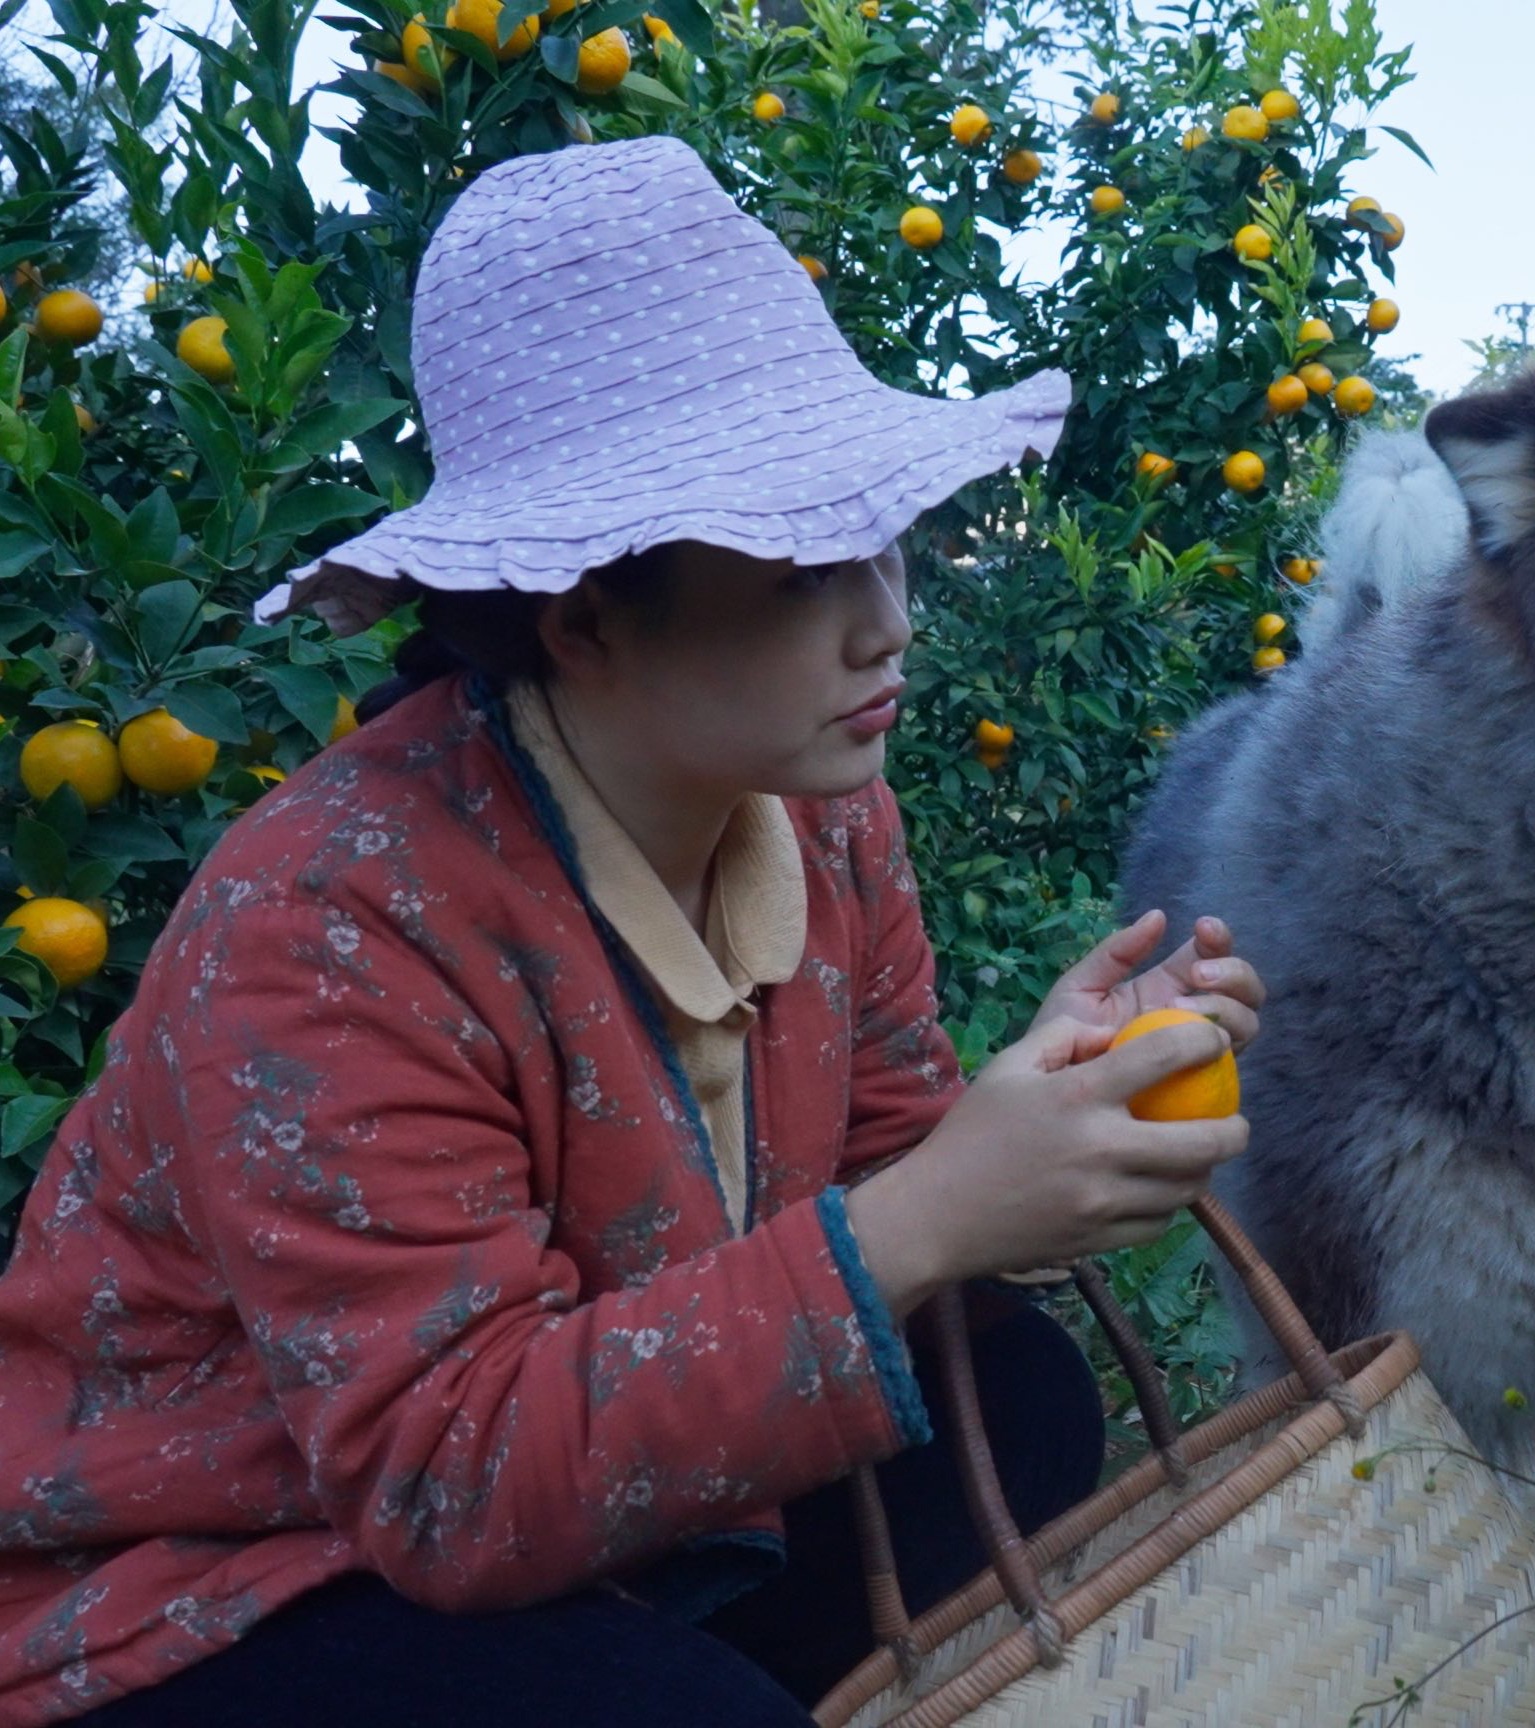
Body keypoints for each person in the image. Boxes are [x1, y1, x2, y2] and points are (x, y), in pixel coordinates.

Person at [0, 136, 1261, 1726]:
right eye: (807, 564)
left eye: (882, 541)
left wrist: (1056, 1119)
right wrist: (932, 1214)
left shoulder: (816, 809)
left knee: (1005, 1394)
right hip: (233, 1571)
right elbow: (445, 1478)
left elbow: (885, 1159)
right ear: (585, 614)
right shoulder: (336, 923)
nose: (890, 620)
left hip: (603, 1492)